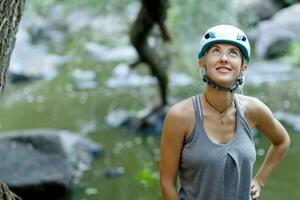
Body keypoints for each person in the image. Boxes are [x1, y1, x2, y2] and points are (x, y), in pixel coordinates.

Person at [159, 24, 290, 200]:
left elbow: (282, 141)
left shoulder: (253, 110)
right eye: (215, 51)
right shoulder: (180, 116)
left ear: (243, 68)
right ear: (202, 63)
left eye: (233, 53)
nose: (224, 59)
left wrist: (259, 181)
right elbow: (167, 183)